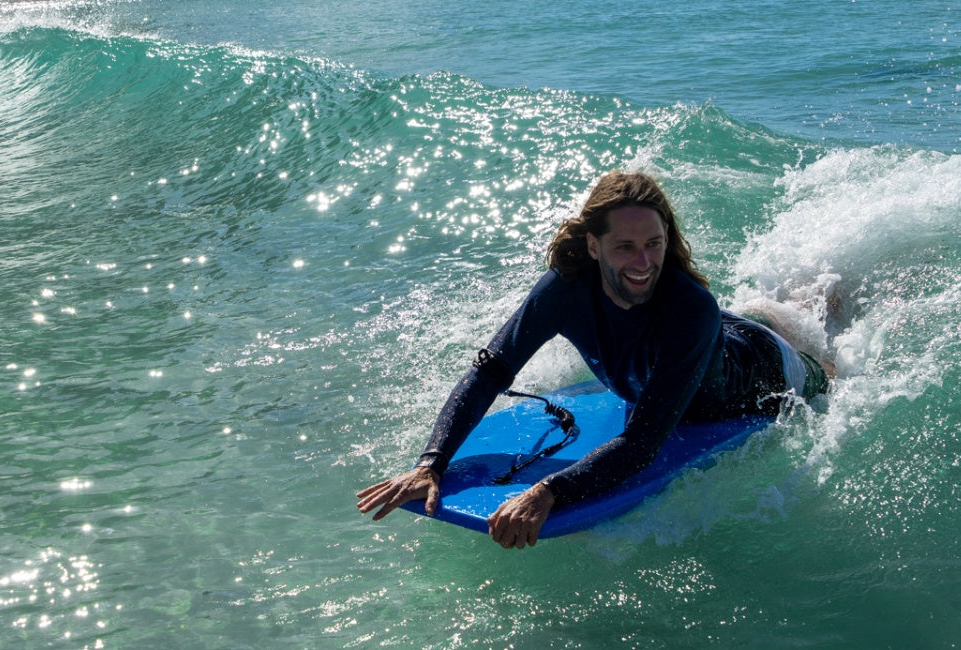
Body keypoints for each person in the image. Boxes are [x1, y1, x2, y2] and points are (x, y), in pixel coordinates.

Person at [354, 170, 832, 549]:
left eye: (654, 244)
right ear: (592, 245)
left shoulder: (690, 308)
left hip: (763, 371)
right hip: (706, 342)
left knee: (829, 369)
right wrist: (432, 464)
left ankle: (827, 307)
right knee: (758, 313)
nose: (643, 262)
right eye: (625, 247)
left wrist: (548, 491)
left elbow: (643, 444)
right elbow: (492, 369)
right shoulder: (564, 290)